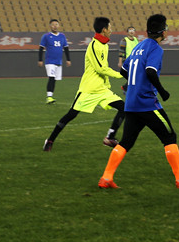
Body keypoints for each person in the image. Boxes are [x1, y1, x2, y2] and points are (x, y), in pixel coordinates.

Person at [98, 14, 179, 190]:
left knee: (126, 142)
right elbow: (150, 71)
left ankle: (106, 178)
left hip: (131, 103)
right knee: (169, 137)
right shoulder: (155, 48)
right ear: (163, 32)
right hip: (146, 103)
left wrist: (135, 83)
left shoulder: (138, 46)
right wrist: (162, 91)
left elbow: (124, 70)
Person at [43, 17, 127, 151]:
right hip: (88, 89)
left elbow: (103, 68)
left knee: (124, 108)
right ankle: (50, 139)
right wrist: (121, 74)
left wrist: (107, 83)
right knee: (71, 114)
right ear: (104, 29)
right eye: (110, 27)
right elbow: (100, 68)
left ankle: (110, 137)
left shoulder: (104, 45)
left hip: (102, 90)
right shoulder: (94, 45)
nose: (111, 30)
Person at [38, 18, 71, 104]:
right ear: (50, 26)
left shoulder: (62, 36)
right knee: (51, 78)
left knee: (55, 79)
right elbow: (41, 48)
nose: (55, 26)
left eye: (56, 24)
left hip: (58, 62)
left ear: (58, 25)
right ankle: (49, 97)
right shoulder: (46, 36)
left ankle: (51, 96)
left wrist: (68, 59)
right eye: (53, 25)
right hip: (50, 61)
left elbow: (66, 48)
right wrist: (40, 59)